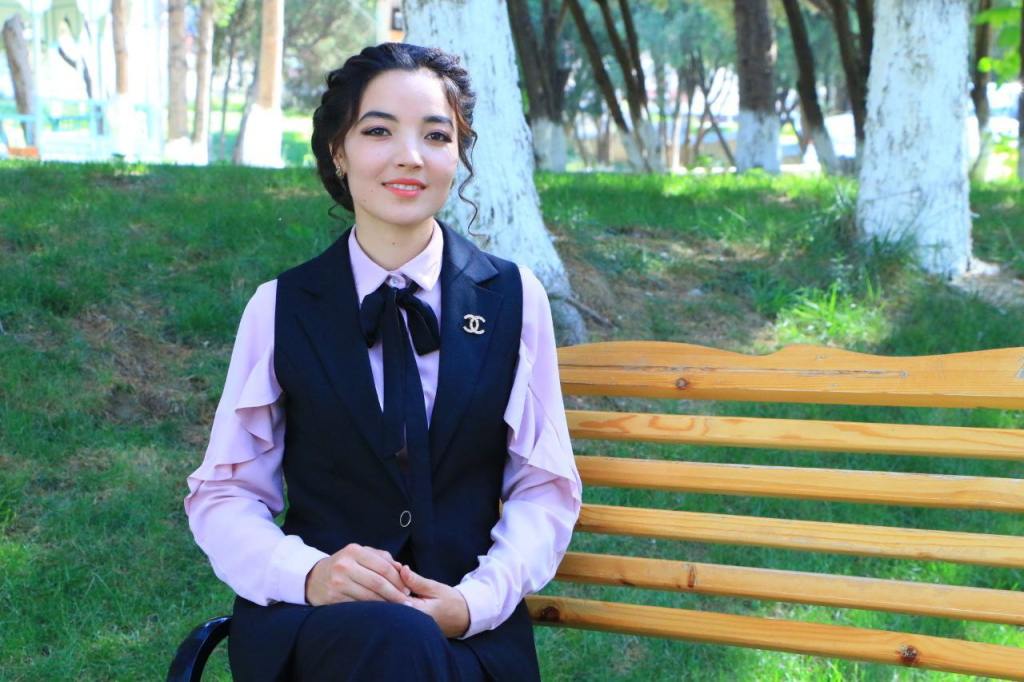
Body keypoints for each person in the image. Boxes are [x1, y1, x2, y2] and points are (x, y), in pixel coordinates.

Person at [183, 42, 582, 681]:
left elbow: (544, 487)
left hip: (468, 641)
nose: (409, 156)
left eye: (436, 135)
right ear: (338, 152)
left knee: (408, 647)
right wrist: (309, 573)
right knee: (389, 642)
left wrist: (473, 602)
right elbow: (225, 493)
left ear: (458, 154)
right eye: (378, 131)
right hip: (315, 627)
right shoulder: (280, 307)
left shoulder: (513, 297)